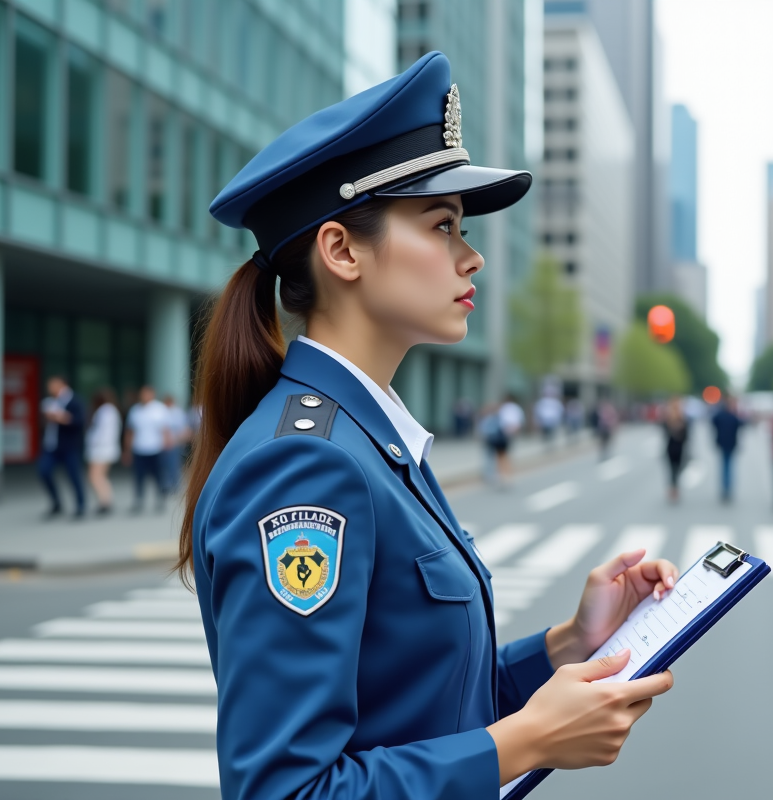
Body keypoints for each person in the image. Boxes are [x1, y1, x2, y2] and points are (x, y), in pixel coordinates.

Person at [178, 53, 676, 800]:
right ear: (341, 250)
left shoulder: (365, 441)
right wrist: (528, 740)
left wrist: (569, 643)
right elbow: (286, 789)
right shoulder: (307, 467)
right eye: (442, 226)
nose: (471, 257)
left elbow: (417, 705)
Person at [38, 375, 86, 519]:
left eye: (52, 385)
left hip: (69, 446)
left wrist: (63, 418)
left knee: (74, 477)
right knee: (43, 471)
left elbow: (80, 422)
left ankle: (81, 505)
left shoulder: (75, 401)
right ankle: (56, 502)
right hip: (51, 445)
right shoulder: (50, 401)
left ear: (62, 385)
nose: (49, 388)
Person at [123, 385, 170, 513]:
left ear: (152, 394)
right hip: (139, 448)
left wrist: (166, 443)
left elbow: (165, 429)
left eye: (147, 394)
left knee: (158, 476)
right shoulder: (135, 410)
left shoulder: (159, 409)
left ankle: (160, 499)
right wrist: (127, 450)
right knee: (139, 477)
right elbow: (130, 431)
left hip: (156, 448)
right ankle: (139, 500)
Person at [85, 387, 122, 515]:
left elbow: (102, 433)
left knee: (94, 476)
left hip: (101, 449)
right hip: (106, 448)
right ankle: (106, 500)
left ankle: (105, 502)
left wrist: (93, 443)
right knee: (101, 476)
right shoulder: (111, 410)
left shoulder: (105, 411)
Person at [711, 395, 744, 503]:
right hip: (730, 444)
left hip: (723, 443)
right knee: (728, 466)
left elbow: (713, 422)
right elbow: (741, 424)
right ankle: (727, 488)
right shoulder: (733, 416)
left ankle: (725, 488)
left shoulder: (720, 416)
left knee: (725, 466)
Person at [660, 396, 688, 503]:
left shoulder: (683, 419)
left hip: (679, 447)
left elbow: (686, 436)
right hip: (671, 447)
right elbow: (664, 433)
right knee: (672, 469)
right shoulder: (667, 419)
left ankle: (675, 487)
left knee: (678, 468)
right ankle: (673, 488)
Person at [162, 394, 191, 493]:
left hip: (174, 443)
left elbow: (183, 429)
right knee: (166, 465)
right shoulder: (163, 411)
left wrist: (178, 441)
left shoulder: (177, 413)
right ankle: (167, 484)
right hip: (164, 444)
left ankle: (174, 485)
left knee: (173, 464)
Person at [496, 393, 525, 484]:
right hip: (509, 432)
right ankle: (506, 474)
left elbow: (500, 420)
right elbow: (519, 421)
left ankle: (504, 474)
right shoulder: (515, 408)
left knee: (502, 455)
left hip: (503, 432)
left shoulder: (504, 408)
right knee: (505, 454)